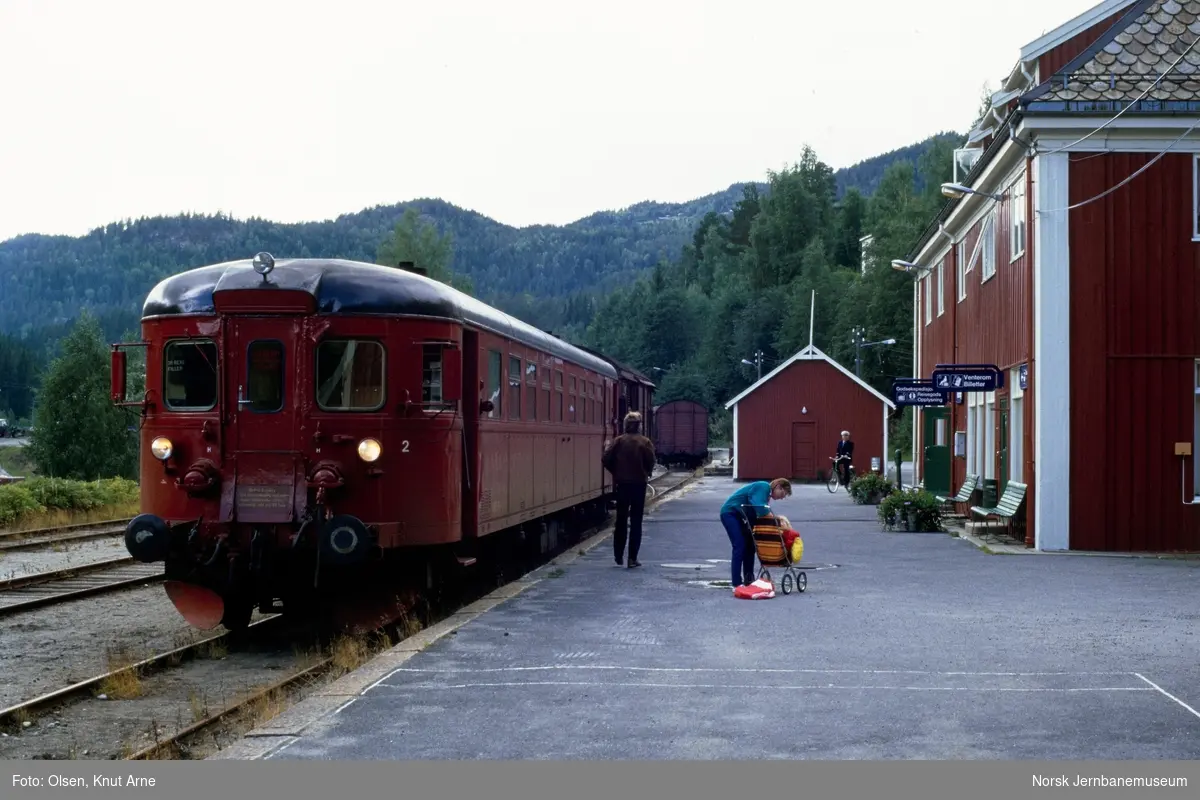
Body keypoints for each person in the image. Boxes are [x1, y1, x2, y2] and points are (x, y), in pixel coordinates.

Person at [601, 411, 656, 568]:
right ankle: (632, 558)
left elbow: (605, 459)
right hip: (639, 484)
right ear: (639, 426)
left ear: (626, 425)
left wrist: (616, 472)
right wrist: (646, 472)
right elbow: (651, 461)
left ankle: (618, 555)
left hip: (623, 484)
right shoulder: (645, 442)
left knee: (621, 520)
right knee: (636, 521)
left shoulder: (618, 441)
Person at [719, 478, 792, 589]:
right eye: (783, 493)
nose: (782, 497)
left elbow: (759, 511)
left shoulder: (766, 495)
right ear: (778, 486)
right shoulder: (763, 487)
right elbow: (759, 507)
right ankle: (737, 583)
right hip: (731, 513)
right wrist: (776, 519)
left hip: (742, 515)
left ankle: (749, 579)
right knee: (739, 545)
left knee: (750, 546)